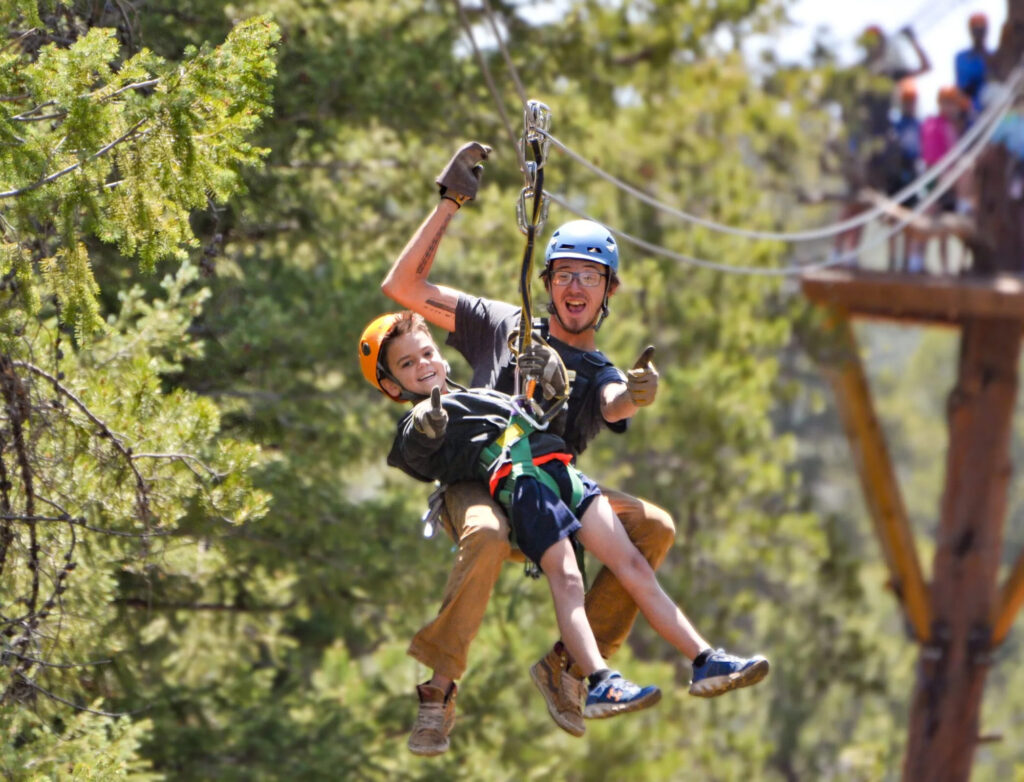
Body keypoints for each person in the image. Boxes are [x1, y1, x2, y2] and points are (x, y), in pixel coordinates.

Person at [380, 143, 768, 755]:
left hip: (551, 487)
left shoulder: (595, 367)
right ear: (547, 285)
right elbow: (403, 285)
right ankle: (439, 694)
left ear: (607, 291)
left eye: (589, 277)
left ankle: (574, 665)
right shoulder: (500, 322)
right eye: (563, 275)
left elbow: (614, 400)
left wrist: (639, 393)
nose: (575, 287)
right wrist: (450, 204)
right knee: (483, 536)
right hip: (481, 476)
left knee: (654, 529)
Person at [358, 310, 770, 751]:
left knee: (631, 558)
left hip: (560, 469)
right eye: (407, 365)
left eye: (427, 353)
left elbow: (545, 419)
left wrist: (554, 386)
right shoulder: (426, 417)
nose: (424, 365)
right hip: (521, 482)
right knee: (564, 575)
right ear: (392, 387)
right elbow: (415, 453)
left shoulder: (482, 395)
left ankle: (704, 659)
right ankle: (595, 679)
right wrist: (426, 428)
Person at [832, 25, 931, 266]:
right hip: (862, 146)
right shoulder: (857, 73)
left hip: (884, 148)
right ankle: (837, 251)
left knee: (871, 201)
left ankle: (851, 253)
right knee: (855, 198)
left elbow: (925, 67)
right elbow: (845, 107)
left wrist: (913, 41)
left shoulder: (889, 72)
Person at [921, 86, 973, 272]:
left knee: (949, 228)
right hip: (936, 182)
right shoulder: (933, 124)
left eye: (954, 104)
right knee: (930, 224)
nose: (952, 108)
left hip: (950, 183)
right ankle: (920, 262)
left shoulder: (954, 127)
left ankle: (949, 267)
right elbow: (932, 160)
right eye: (948, 103)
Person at [955, 12, 992, 115]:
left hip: (995, 108)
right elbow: (963, 87)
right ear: (971, 32)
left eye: (982, 30)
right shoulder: (962, 57)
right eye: (976, 30)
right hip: (971, 110)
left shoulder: (994, 56)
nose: (979, 34)